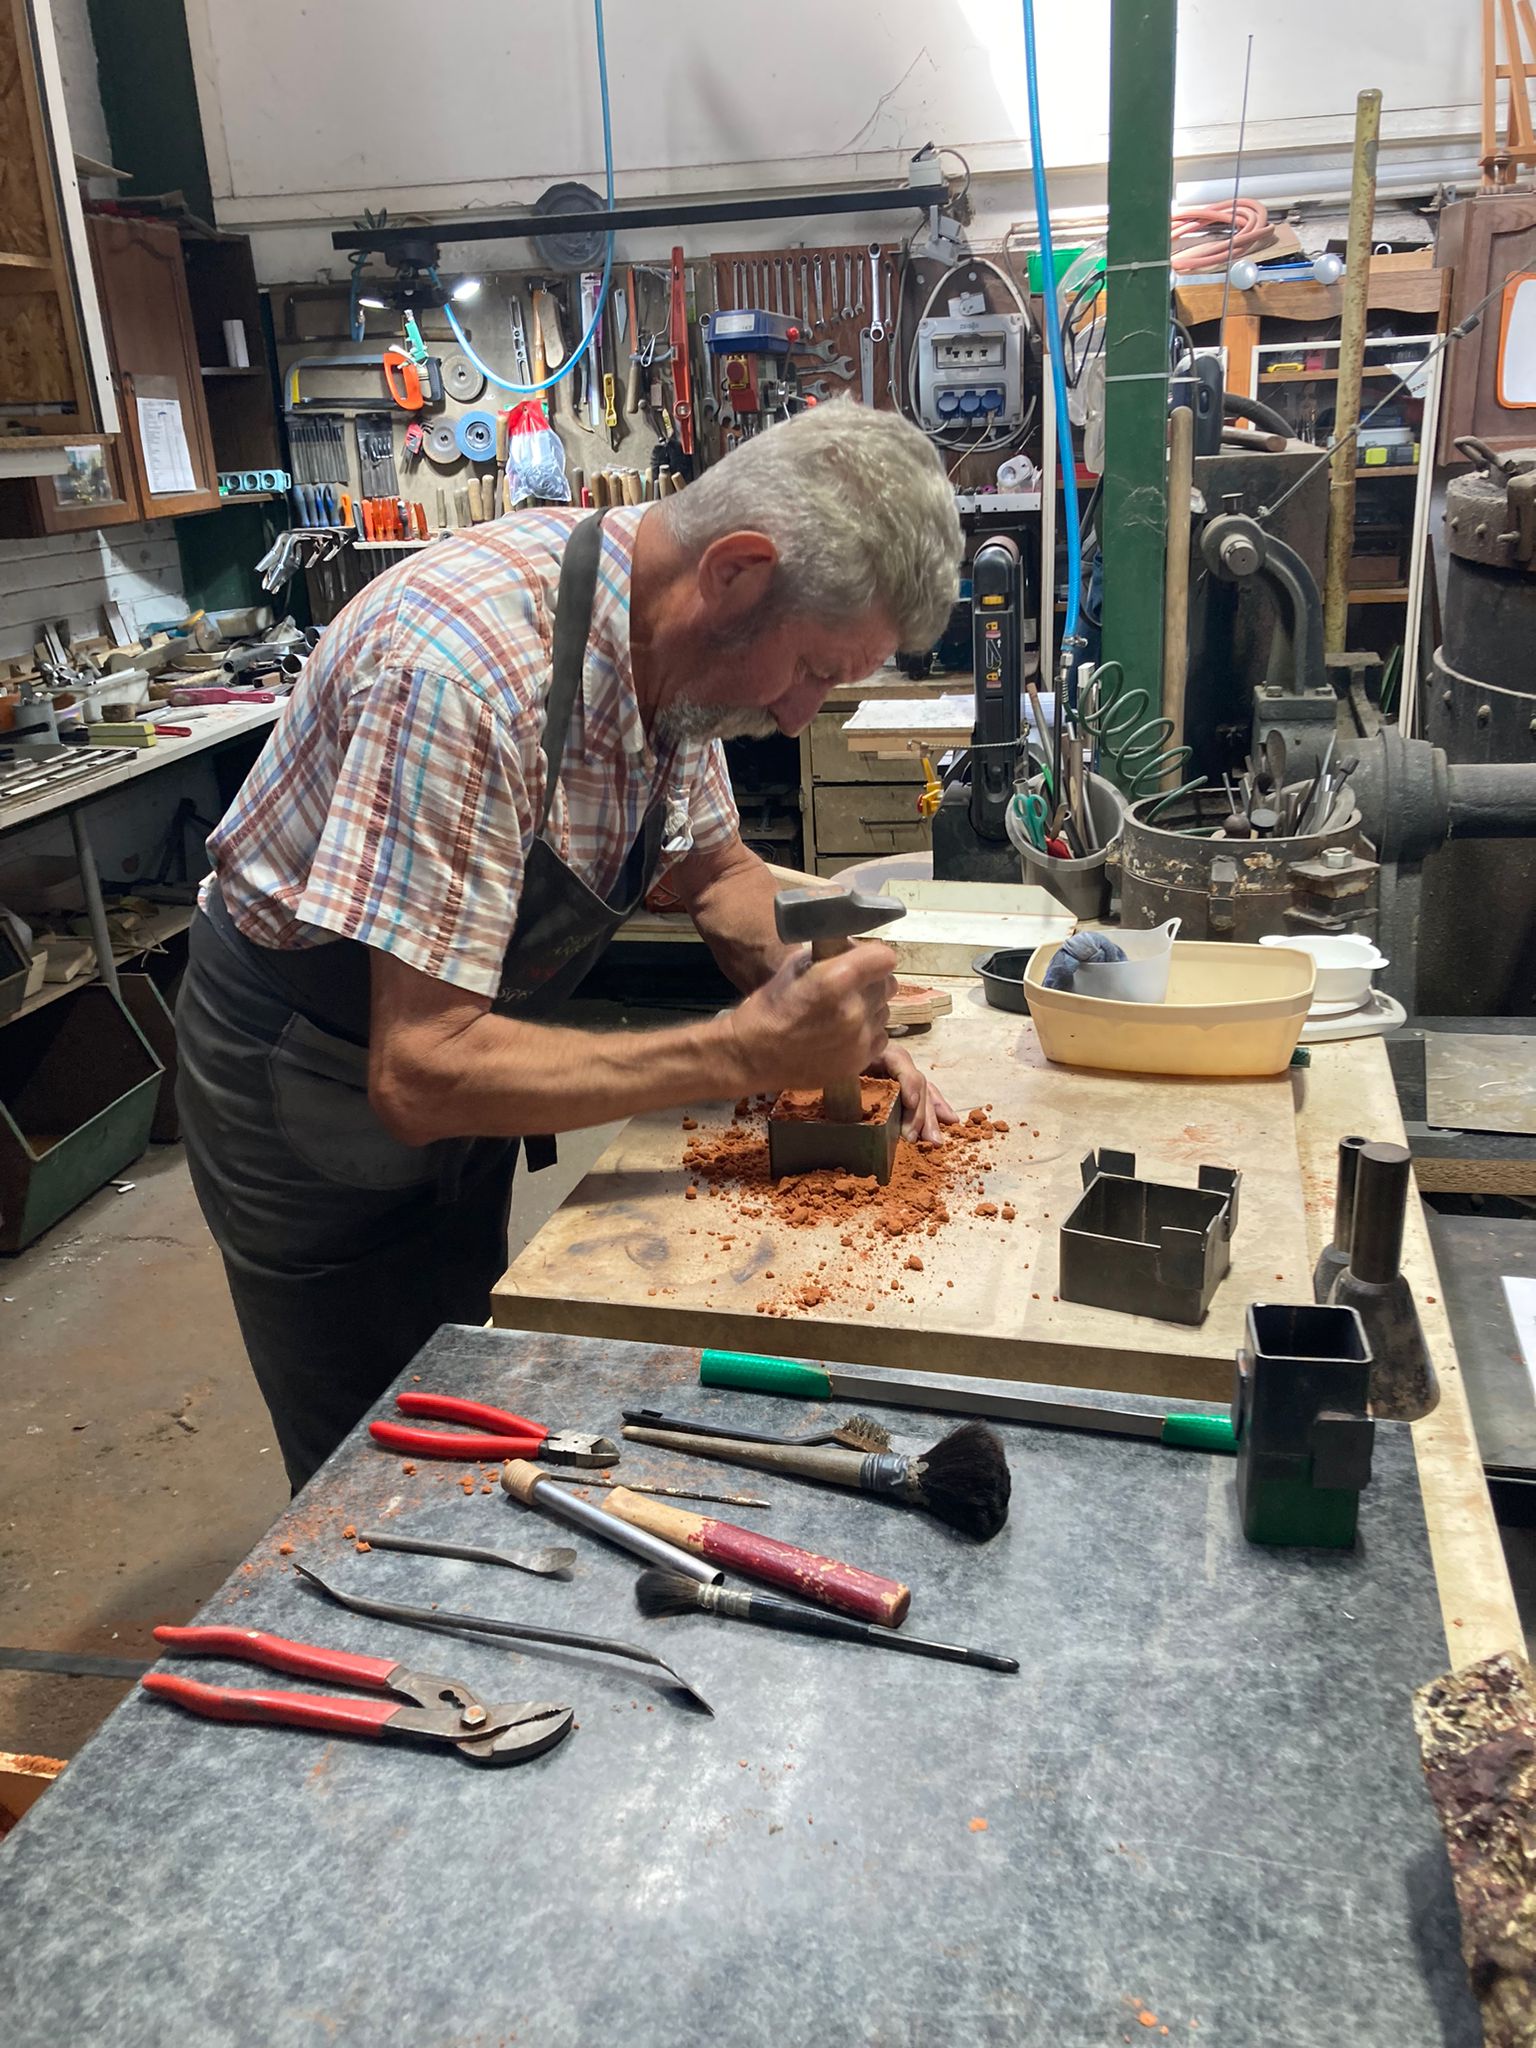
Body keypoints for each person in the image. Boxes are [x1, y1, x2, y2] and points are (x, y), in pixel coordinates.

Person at [177, 400, 964, 1489]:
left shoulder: (670, 648)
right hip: (310, 1068)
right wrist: (745, 1050)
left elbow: (719, 872)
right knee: (372, 1460)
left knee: (463, 1360)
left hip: (469, 1048)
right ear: (735, 574)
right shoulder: (460, 675)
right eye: (814, 671)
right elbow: (421, 1070)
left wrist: (820, 1002)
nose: (798, 716)